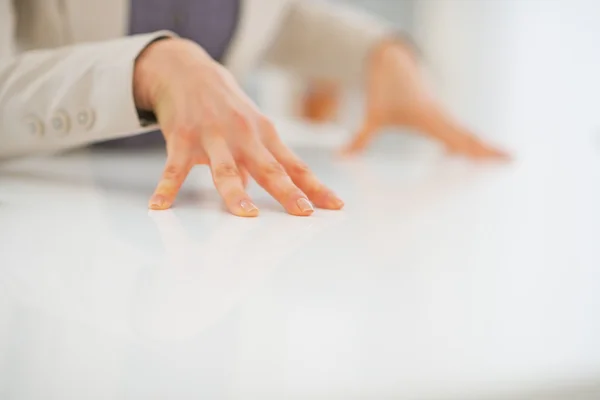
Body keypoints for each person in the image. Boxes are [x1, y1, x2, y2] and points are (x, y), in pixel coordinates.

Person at [0, 0, 507, 217]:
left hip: (204, 232)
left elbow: (270, 20)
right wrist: (144, 68)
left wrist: (379, 52)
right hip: (47, 212)